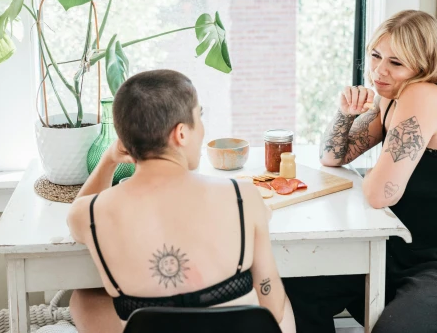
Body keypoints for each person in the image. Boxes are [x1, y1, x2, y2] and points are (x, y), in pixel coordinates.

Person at [283, 10, 437, 333]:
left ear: (422, 67)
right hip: (415, 248)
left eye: (396, 63)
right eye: (376, 55)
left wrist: (378, 173)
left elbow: (379, 193)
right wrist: (345, 114)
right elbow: (331, 156)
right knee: (305, 286)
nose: (379, 71)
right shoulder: (391, 98)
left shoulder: (421, 95)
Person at [67, 69, 295, 333]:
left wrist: (108, 160)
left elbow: (76, 213)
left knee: (82, 299)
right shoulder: (243, 197)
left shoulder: (89, 214)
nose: (203, 128)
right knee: (282, 303)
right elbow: (272, 304)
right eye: (199, 116)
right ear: (181, 134)